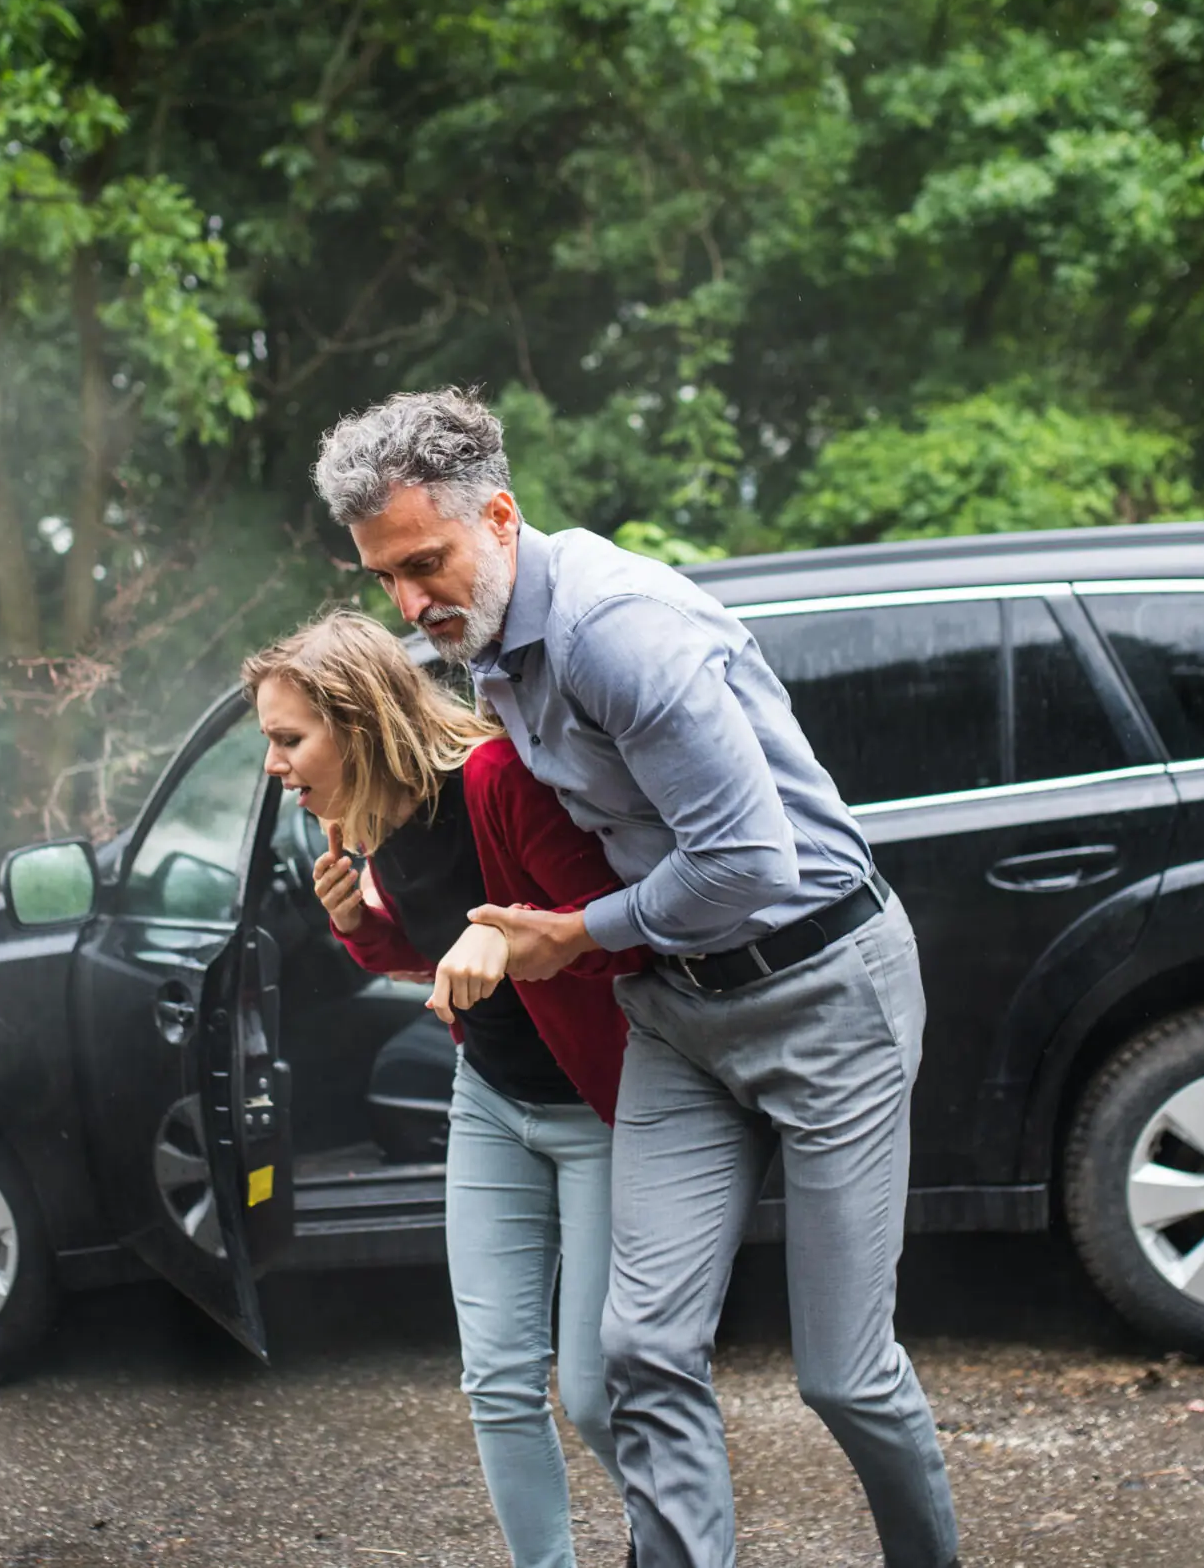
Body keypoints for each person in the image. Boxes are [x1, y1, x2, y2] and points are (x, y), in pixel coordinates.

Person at [311, 391, 962, 1568]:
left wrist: (568, 934)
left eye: (425, 564)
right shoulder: (494, 649)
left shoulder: (619, 630)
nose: (410, 603)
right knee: (638, 1354)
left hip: (823, 988)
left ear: (499, 518)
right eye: (385, 580)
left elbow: (750, 862)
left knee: (844, 1374)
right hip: (676, 1010)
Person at [243, 610, 640, 1568]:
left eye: (288, 738)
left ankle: (674, 1537)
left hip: (595, 1111)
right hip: (492, 1100)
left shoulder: (495, 782)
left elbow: (613, 933)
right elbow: (438, 954)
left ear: (359, 723)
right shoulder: (362, 821)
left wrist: (510, 933)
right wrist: (362, 930)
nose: (275, 764)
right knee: (498, 1380)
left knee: (593, 1389)